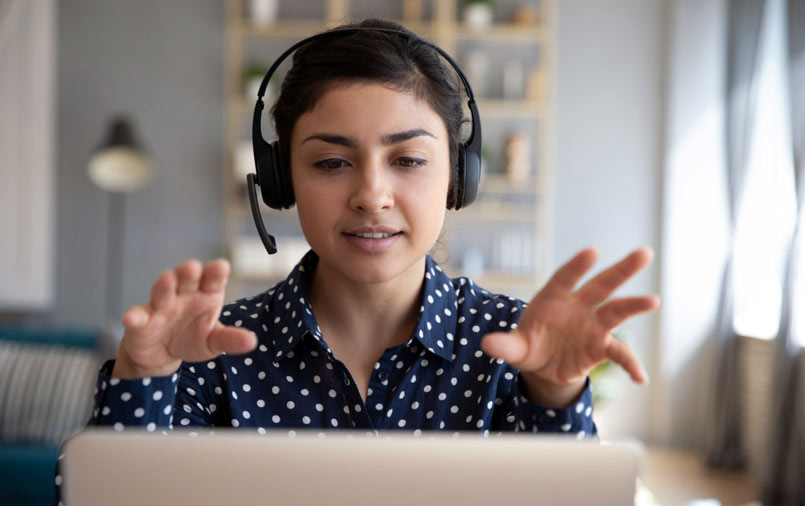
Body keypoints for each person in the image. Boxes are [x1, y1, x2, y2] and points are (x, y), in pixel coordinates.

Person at [54, 17, 658, 504]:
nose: (372, 193)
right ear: (280, 180)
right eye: (331, 162)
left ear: (458, 178)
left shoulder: (514, 346)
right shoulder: (212, 350)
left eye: (409, 160)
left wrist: (553, 395)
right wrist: (143, 378)